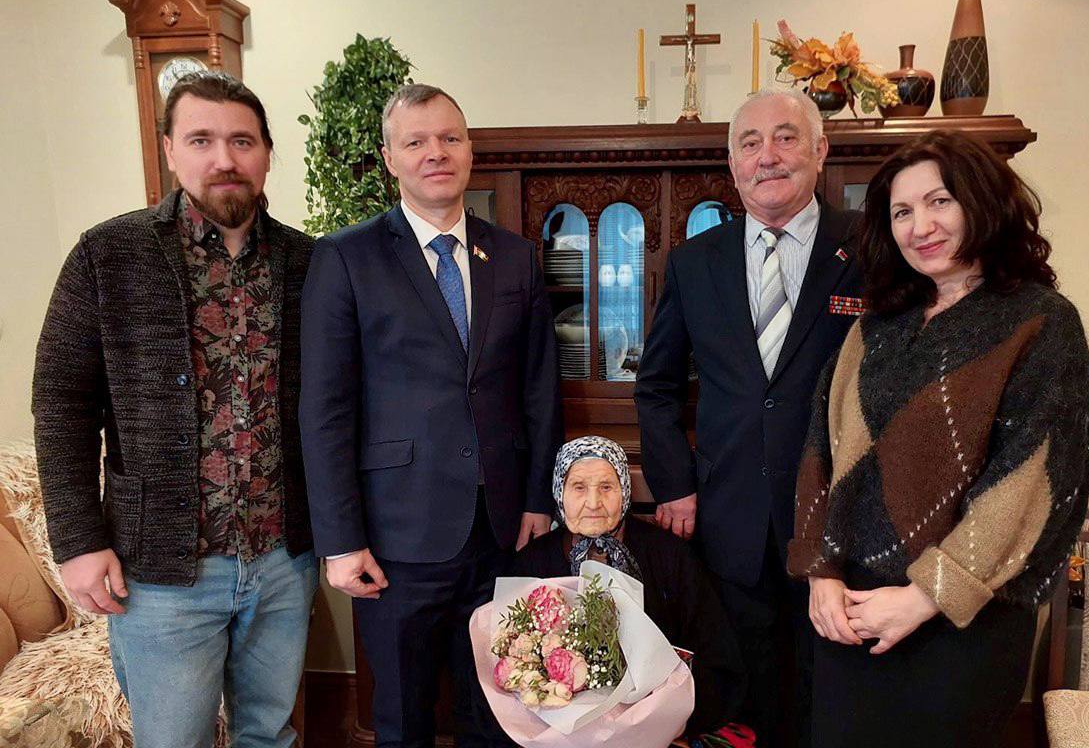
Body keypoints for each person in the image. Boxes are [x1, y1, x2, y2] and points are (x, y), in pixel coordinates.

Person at [32, 71, 317, 747]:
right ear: (169, 149)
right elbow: (61, 402)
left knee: (269, 734)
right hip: (162, 574)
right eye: (201, 139)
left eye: (242, 141)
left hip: (284, 561)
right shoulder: (108, 255)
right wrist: (78, 541)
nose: (224, 158)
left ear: (267, 152)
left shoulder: (308, 262)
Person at [788, 130, 1089, 746]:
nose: (920, 226)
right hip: (851, 613)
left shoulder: (1041, 323)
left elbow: (1028, 484)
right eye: (902, 212)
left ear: (981, 202)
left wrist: (927, 595)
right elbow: (822, 447)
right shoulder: (875, 324)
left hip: (962, 623)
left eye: (939, 202)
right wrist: (820, 572)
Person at [300, 83, 562, 747]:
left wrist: (538, 496)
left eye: (449, 138)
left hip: (501, 530)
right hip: (395, 537)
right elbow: (325, 409)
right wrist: (340, 540)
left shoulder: (515, 256)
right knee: (403, 721)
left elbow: (538, 388)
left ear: (470, 150)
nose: (435, 153)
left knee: (499, 715)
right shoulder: (345, 257)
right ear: (391, 158)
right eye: (415, 141)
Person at [634, 88, 863, 745]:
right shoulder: (693, 261)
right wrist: (675, 485)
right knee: (745, 694)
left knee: (832, 692)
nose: (769, 156)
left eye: (786, 137)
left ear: (820, 150)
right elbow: (657, 386)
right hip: (729, 517)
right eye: (750, 143)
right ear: (732, 164)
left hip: (839, 519)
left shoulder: (871, 246)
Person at [510, 436, 744, 739]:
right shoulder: (532, 564)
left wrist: (664, 714)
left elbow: (715, 655)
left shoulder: (669, 555)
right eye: (578, 487)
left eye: (607, 487)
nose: (593, 503)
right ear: (559, 492)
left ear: (625, 491)